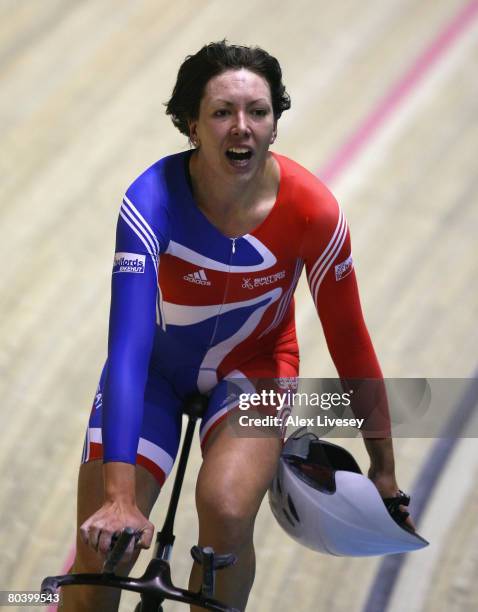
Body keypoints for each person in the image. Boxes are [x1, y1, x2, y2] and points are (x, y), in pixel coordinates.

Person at [65, 40, 414, 611]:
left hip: (253, 370)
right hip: (154, 368)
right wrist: (120, 498)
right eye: (222, 112)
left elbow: (349, 341)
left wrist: (384, 469)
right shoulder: (149, 202)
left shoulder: (314, 212)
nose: (242, 127)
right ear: (190, 126)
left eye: (258, 111)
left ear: (276, 123)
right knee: (105, 554)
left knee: (226, 512)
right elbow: (126, 351)